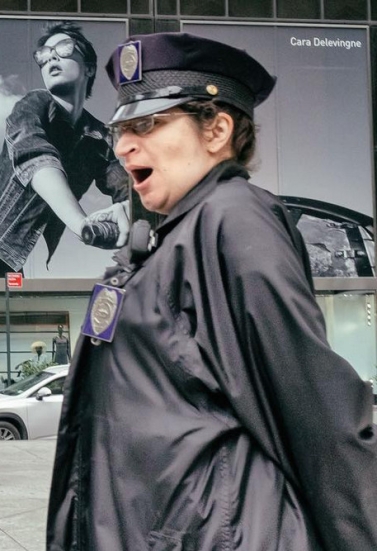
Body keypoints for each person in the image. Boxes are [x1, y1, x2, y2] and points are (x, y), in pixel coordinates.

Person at [47, 32, 377, 550]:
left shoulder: (234, 218)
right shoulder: (171, 237)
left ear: (218, 129)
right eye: (120, 129)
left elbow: (315, 409)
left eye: (148, 124)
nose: (124, 145)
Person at [0, 21, 131, 277]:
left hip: (5, 248)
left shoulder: (99, 139)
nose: (52, 57)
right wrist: (81, 224)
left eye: (64, 48)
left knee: (9, 315)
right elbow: (36, 158)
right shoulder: (33, 105)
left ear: (89, 68)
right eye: (44, 55)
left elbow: (125, 191)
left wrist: (127, 211)